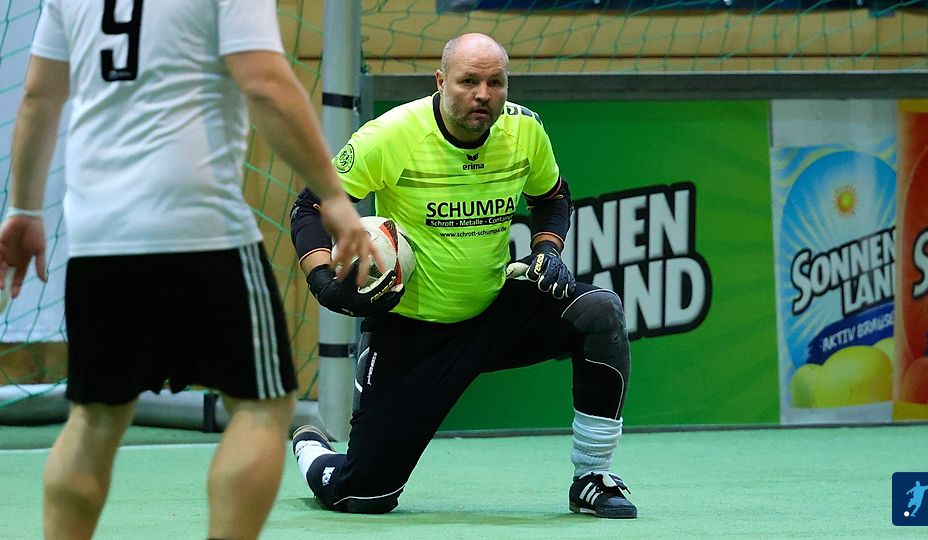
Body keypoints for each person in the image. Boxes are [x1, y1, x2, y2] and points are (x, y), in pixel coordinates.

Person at [0, 1, 379, 538]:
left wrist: (22, 209)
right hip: (201, 227)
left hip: (98, 234)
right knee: (262, 405)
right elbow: (264, 82)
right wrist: (334, 198)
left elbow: (40, 94)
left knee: (95, 416)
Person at [289, 32, 636, 519]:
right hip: (412, 330)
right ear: (440, 81)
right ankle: (311, 448)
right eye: (468, 81)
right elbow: (311, 205)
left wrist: (547, 249)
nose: (483, 94)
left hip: (495, 314)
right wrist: (324, 283)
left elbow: (552, 197)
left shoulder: (524, 130)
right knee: (362, 495)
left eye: (495, 83)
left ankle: (593, 477)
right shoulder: (390, 135)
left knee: (599, 311)